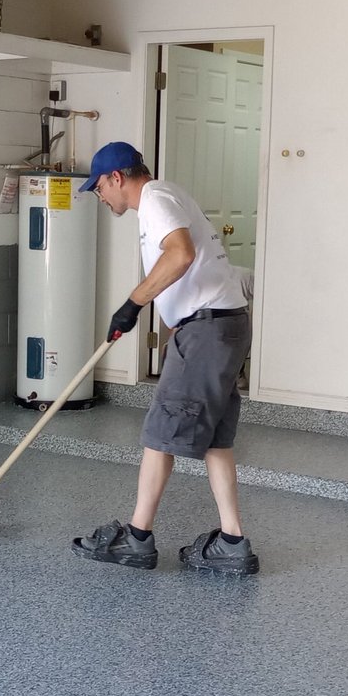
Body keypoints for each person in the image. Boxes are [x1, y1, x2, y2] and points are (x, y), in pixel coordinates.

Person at [70, 141, 258, 577]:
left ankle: (137, 539)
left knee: (160, 432)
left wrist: (132, 304)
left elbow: (181, 253)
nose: (100, 196)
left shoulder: (154, 198)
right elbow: (191, 262)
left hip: (208, 329)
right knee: (216, 439)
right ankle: (232, 542)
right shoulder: (168, 195)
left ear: (117, 177)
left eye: (99, 188)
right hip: (221, 325)